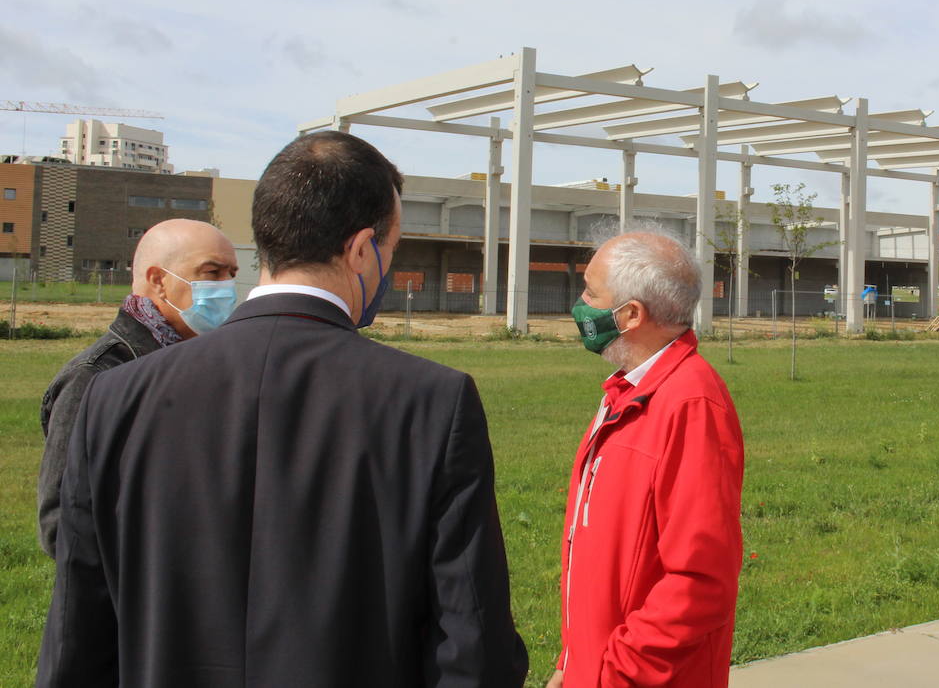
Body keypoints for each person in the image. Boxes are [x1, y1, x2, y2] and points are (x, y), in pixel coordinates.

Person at [37, 131, 528, 688]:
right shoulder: (432, 402)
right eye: (393, 248)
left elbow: (77, 636)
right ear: (363, 249)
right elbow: (471, 643)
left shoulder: (114, 397)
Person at [551, 230, 744, 688]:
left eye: (591, 293)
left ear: (631, 314)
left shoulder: (691, 406)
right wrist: (573, 657)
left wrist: (615, 673)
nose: (580, 304)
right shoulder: (627, 392)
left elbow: (699, 582)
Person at [36, 217, 239, 558]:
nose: (228, 287)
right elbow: (63, 524)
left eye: (231, 274)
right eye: (212, 273)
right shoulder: (96, 376)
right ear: (159, 281)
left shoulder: (205, 365)